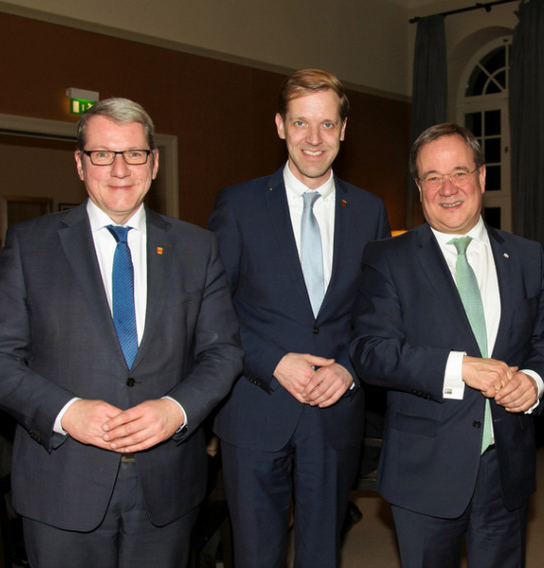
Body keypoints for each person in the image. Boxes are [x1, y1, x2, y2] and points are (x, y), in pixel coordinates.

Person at [0, 97, 243, 567]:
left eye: (134, 153)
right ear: (79, 162)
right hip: (62, 482)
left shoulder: (198, 247)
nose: (119, 168)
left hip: (168, 484)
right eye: (102, 153)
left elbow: (223, 354)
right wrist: (66, 412)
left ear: (153, 163)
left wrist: (175, 410)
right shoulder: (30, 245)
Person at [350, 123, 544, 568]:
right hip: (424, 471)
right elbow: (370, 352)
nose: (447, 189)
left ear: (482, 178)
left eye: (459, 173)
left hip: (505, 467)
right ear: (419, 187)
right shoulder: (387, 259)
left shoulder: (527, 256)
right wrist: (458, 368)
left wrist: (534, 382)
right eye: (432, 177)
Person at [208, 68, 390, 567]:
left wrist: (349, 369)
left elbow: (378, 316)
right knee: (256, 554)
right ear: (280, 126)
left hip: (334, 415)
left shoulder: (370, 210)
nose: (314, 139)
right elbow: (212, 309)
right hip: (256, 405)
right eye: (301, 123)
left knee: (322, 553)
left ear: (343, 130)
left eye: (327, 125)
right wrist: (273, 362)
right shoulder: (239, 204)